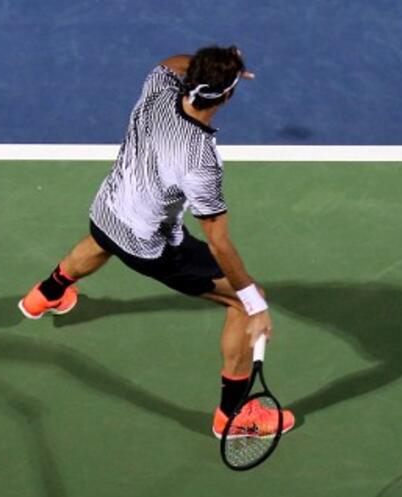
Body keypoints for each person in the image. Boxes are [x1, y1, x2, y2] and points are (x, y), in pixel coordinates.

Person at [18, 45, 295, 439]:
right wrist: (254, 300)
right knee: (243, 304)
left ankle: (46, 294)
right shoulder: (199, 159)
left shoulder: (159, 88)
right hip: (152, 248)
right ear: (228, 96)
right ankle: (232, 416)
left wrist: (214, 67)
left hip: (109, 207)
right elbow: (218, 243)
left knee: (102, 240)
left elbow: (170, 63)